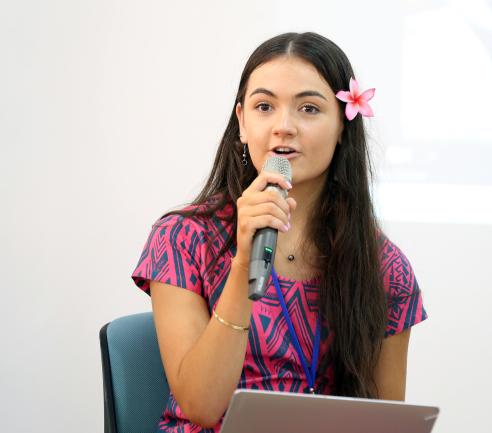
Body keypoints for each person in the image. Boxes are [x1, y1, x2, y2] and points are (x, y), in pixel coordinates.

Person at [131, 31, 428, 432]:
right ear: (241, 122)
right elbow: (202, 405)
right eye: (265, 106)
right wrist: (242, 263)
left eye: (308, 108)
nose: (283, 126)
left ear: (343, 125)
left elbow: (384, 424)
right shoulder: (183, 239)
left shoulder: (384, 268)